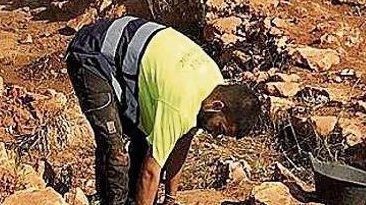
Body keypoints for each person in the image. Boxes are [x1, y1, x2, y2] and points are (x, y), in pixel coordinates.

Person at [66, 16, 262, 205]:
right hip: (92, 52)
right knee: (115, 151)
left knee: (143, 143)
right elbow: (151, 172)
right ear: (217, 106)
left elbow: (181, 143)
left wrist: (171, 199)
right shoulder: (181, 106)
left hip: (127, 48)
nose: (215, 135)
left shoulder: (213, 85)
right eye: (220, 128)